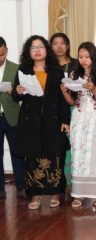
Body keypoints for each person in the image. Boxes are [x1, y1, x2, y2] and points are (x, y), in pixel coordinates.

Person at [12, 35, 70, 209]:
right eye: (33, 48)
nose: (37, 50)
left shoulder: (56, 71)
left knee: (55, 156)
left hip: (53, 120)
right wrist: (18, 91)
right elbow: (16, 96)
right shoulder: (23, 70)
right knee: (33, 158)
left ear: (46, 50)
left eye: (40, 47)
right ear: (28, 52)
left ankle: (55, 194)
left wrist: (65, 120)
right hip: (31, 122)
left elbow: (62, 99)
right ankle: (35, 196)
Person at [61, 42, 96, 208]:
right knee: (78, 154)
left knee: (95, 154)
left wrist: (93, 88)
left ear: (93, 57)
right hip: (79, 118)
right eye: (80, 57)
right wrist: (65, 92)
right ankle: (78, 193)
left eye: (87, 57)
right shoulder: (74, 74)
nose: (83, 60)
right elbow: (73, 102)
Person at [49, 32, 78, 196]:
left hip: (75, 109)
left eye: (62, 43)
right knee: (62, 147)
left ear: (67, 45)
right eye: (55, 43)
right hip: (57, 112)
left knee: (77, 146)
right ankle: (64, 182)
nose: (59, 46)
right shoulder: (49, 66)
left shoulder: (76, 64)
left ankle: (77, 182)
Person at [0, 37, 26, 199]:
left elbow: (23, 94)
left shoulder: (16, 69)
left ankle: (21, 186)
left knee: (17, 152)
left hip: (12, 116)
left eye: (1, 55)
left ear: (6, 50)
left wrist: (15, 92)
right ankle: (0, 189)